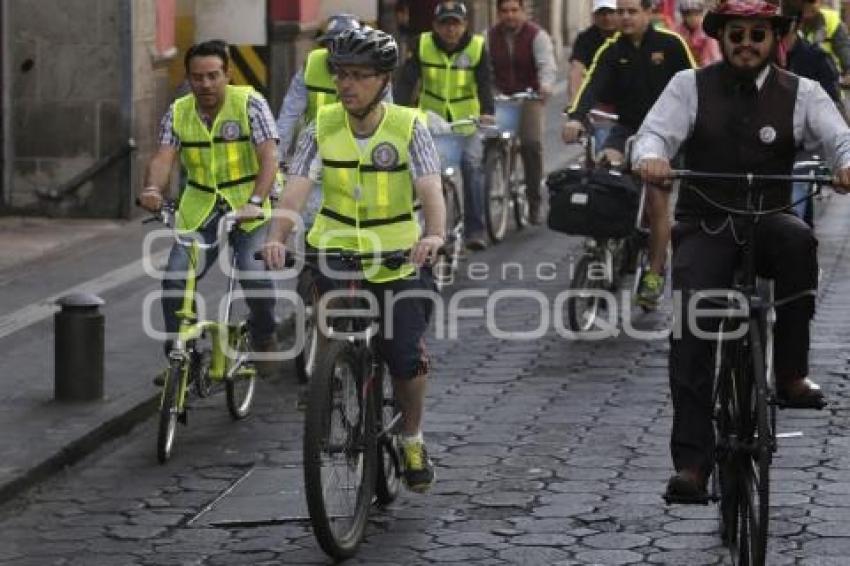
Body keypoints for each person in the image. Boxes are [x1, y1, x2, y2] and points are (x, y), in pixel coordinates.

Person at [633, 0, 850, 499]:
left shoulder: (804, 92)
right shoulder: (688, 86)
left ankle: (792, 373)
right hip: (706, 223)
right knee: (691, 327)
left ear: (775, 38)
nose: (746, 43)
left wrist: (842, 164)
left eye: (757, 34)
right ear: (723, 37)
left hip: (768, 218)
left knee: (798, 241)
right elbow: (653, 135)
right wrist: (650, 159)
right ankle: (692, 465)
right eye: (737, 34)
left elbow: (838, 138)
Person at [262, 27, 445, 493]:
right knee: (330, 320)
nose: (346, 85)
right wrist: (277, 234)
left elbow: (429, 187)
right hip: (336, 247)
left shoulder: (408, 125)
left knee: (404, 355)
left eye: (359, 76)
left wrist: (435, 234)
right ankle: (330, 384)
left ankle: (412, 438)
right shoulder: (321, 125)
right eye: (341, 75)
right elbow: (298, 186)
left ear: (384, 80)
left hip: (399, 256)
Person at [139, 40, 280, 374]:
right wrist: (151, 188)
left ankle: (264, 335)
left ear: (227, 74)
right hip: (200, 207)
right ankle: (179, 355)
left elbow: (270, 156)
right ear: (187, 78)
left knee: (252, 271)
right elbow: (163, 157)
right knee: (175, 278)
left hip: (249, 206)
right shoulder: (179, 110)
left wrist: (256, 202)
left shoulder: (250, 104)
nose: (205, 84)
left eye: (213, 76)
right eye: (197, 77)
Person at [562, 0, 696, 310]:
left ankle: (654, 274)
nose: (624, 17)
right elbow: (591, 85)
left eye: (632, 11)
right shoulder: (611, 50)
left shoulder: (670, 44)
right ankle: (607, 247)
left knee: (656, 201)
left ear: (649, 12)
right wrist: (575, 116)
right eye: (621, 11)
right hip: (627, 129)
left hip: (665, 135)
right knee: (604, 173)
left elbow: (697, 84)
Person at [395, 0, 496, 251]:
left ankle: (475, 229)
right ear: (435, 26)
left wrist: (487, 111)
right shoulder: (422, 44)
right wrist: (398, 110)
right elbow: (407, 80)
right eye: (445, 24)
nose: (450, 30)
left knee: (472, 167)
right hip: (432, 120)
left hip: (467, 122)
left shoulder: (477, 47)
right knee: (424, 171)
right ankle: (421, 226)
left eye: (455, 24)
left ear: (465, 25)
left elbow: (485, 81)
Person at [488, 0, 557, 224]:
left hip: (529, 96)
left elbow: (546, 65)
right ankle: (496, 180)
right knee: (490, 144)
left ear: (523, 11)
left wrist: (545, 86)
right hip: (501, 96)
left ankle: (534, 200)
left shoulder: (537, 35)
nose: (510, 15)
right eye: (505, 11)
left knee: (530, 144)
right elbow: (483, 68)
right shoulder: (488, 37)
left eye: (514, 10)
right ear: (498, 13)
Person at [783, 2, 844, 225]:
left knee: (792, 214)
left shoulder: (815, 58)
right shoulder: (756, 58)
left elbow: (832, 109)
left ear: (796, 24)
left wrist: (840, 160)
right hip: (761, 152)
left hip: (802, 153)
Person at [568, 0, 621, 104]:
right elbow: (576, 70)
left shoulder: (627, 35)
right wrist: (574, 102)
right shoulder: (585, 38)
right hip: (595, 97)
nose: (607, 17)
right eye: (602, 13)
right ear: (594, 16)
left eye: (611, 12)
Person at [799, 0, 850, 81]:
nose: (807, 13)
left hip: (831, 73)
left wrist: (848, 70)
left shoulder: (830, 19)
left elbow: (843, 47)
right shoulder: (796, 21)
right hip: (807, 74)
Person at [675, 0, 722, 67]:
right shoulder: (678, 32)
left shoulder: (707, 32)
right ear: (683, 16)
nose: (693, 18)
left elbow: (713, 57)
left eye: (696, 14)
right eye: (689, 14)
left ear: (701, 14)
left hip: (705, 68)